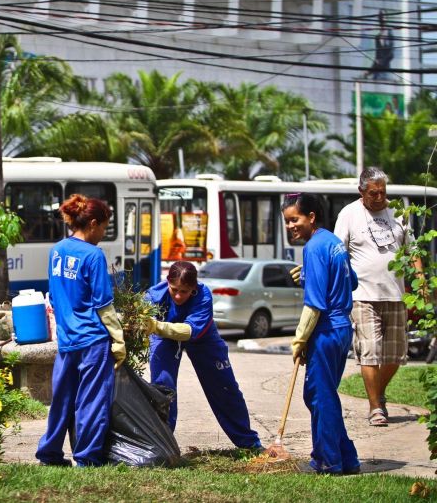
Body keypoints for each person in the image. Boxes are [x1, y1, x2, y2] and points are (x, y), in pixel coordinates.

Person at [36, 194, 125, 467]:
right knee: (91, 402)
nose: (103, 235)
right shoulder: (94, 256)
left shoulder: (57, 250)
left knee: (61, 400)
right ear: (93, 223)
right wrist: (119, 340)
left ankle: (49, 454)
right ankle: (86, 459)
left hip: (67, 341)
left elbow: (54, 295)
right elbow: (104, 305)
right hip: (93, 341)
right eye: (104, 229)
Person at [334, 167, 418, 427]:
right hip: (363, 295)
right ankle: (375, 408)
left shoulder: (397, 212)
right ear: (362, 192)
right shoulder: (349, 214)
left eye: (383, 192)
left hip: (395, 295)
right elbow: (338, 251)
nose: (379, 197)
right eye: (374, 193)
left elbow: (412, 250)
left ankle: (377, 391)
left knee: (395, 355)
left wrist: (421, 282)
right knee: (370, 352)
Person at [146, 261, 262, 449]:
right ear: (167, 282)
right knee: (162, 388)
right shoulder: (153, 296)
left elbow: (190, 331)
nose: (178, 296)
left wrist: (156, 326)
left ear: (193, 287)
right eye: (174, 289)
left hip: (201, 337)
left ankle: (249, 443)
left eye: (184, 291)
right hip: (164, 338)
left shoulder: (203, 295)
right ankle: (163, 446)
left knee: (224, 387)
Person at [283, 192, 360, 475]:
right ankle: (347, 458)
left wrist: (300, 339)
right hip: (342, 329)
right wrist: (308, 274)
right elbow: (350, 281)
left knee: (319, 396)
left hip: (326, 330)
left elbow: (314, 304)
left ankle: (328, 461)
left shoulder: (314, 247)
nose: (291, 226)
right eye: (287, 221)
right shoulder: (333, 242)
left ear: (311, 217)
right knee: (321, 394)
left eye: (295, 219)